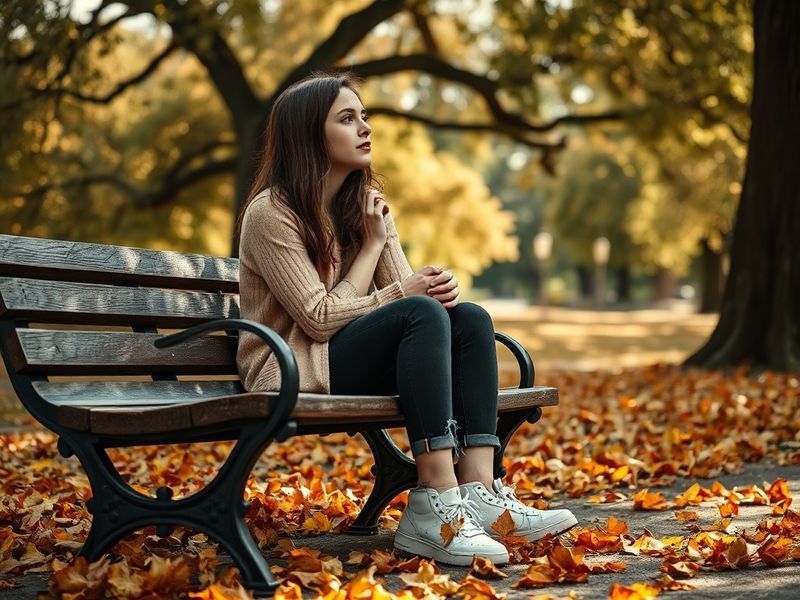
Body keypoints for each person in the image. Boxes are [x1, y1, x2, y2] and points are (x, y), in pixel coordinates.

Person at [236, 72, 577, 566]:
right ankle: (434, 504)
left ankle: (479, 490)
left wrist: (436, 288)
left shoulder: (366, 206)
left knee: (470, 319)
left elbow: (415, 303)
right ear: (310, 134)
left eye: (365, 116)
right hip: (289, 367)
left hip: (339, 356)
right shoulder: (271, 212)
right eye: (347, 118)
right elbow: (318, 318)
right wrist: (383, 260)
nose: (365, 128)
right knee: (418, 310)